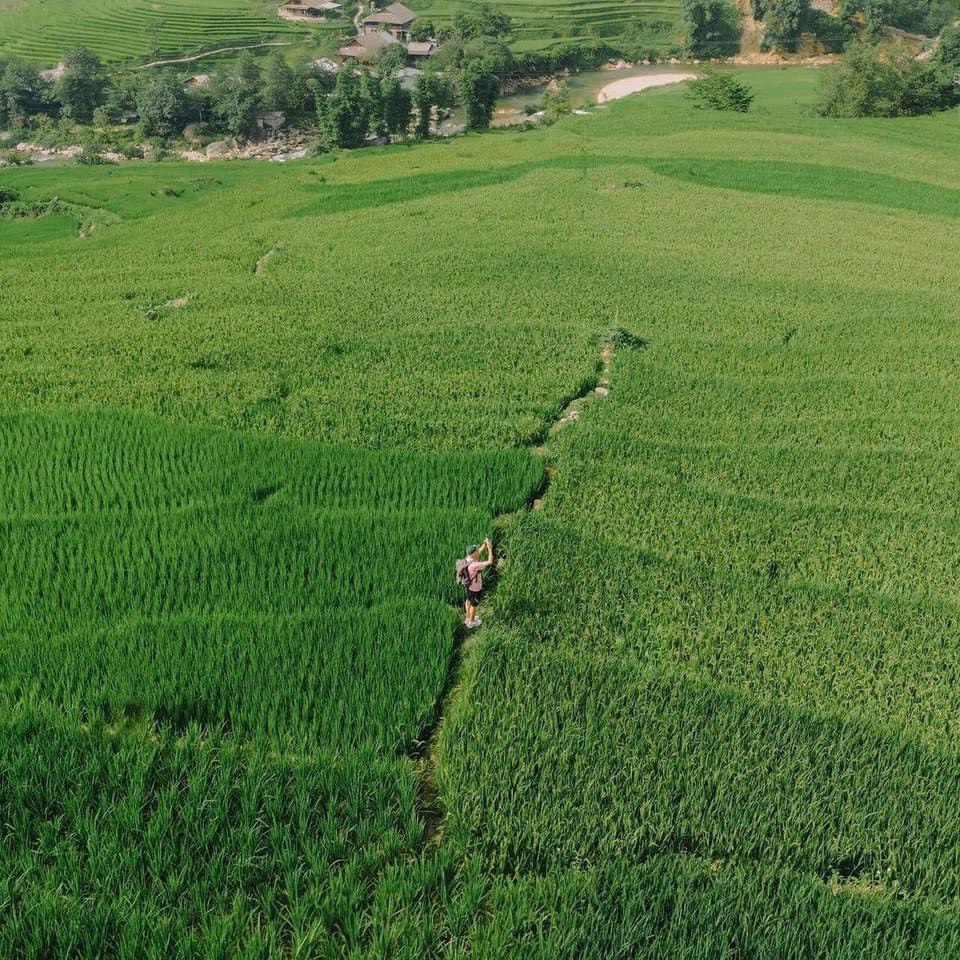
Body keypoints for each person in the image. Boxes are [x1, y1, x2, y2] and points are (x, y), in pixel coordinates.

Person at [461, 538, 493, 629]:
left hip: (468, 585)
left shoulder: (467, 559)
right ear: (473, 554)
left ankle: (468, 618)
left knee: (468, 601)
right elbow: (490, 562)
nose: (478, 551)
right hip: (475, 588)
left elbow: (478, 552)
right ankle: (471, 622)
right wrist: (490, 549)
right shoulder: (474, 565)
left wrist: (484, 544)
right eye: (476, 550)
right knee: (474, 604)